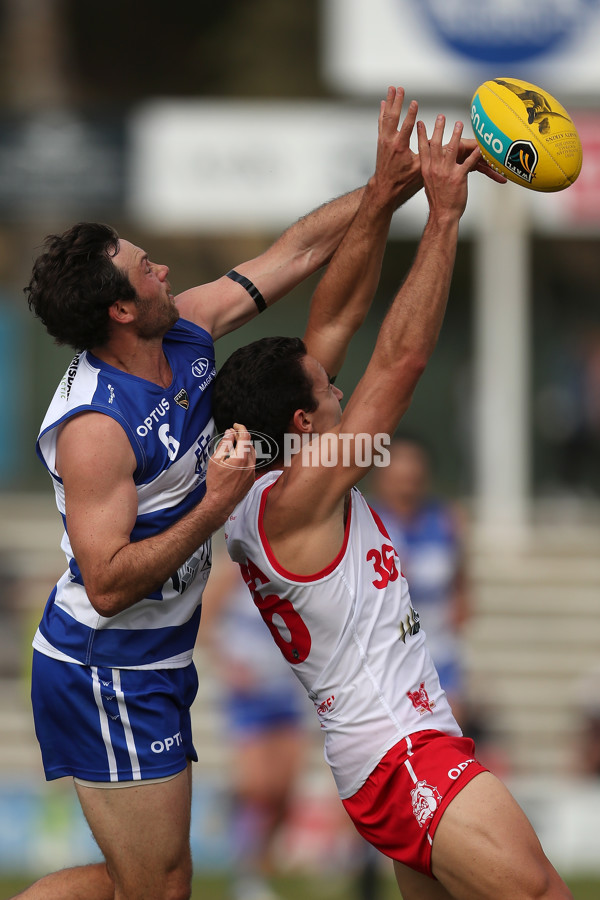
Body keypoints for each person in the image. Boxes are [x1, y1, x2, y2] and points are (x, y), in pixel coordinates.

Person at [16, 132, 412, 900]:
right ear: (121, 309)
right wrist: (218, 503)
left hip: (157, 658)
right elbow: (106, 585)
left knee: (158, 885)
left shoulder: (186, 328)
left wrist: (392, 186)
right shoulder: (95, 429)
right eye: (144, 268)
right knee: (158, 888)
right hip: (107, 664)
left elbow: (296, 254)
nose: (163, 268)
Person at [211, 90, 572, 899]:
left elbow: (338, 311)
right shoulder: (298, 498)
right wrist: (445, 219)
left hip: (392, 747)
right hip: (401, 750)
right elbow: (400, 365)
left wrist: (387, 194)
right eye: (329, 393)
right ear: (304, 423)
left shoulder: (270, 476)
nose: (343, 392)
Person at [199, 550, 309, 900]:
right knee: (259, 786)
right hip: (248, 697)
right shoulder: (236, 572)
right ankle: (247, 875)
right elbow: (204, 623)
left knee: (285, 791)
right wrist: (230, 667)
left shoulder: (293, 571)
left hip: (285, 692)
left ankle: (257, 859)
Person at [368, 435, 471, 727]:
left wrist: (459, 613)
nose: (407, 478)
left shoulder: (445, 520)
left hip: (439, 649)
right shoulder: (365, 522)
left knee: (448, 735)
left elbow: (461, 581)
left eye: (414, 470)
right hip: (386, 654)